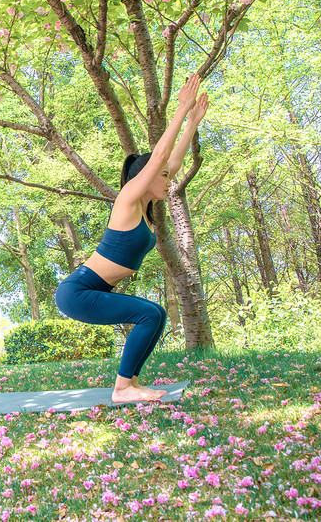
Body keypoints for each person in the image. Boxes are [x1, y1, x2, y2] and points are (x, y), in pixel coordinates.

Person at [55, 74, 209, 404]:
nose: (170, 181)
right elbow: (159, 159)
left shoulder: (147, 206)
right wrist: (181, 109)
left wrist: (192, 122)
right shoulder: (126, 201)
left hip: (93, 290)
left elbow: (171, 160)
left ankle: (131, 383)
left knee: (156, 315)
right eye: (164, 176)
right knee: (150, 313)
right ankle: (123, 388)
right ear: (146, 177)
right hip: (77, 292)